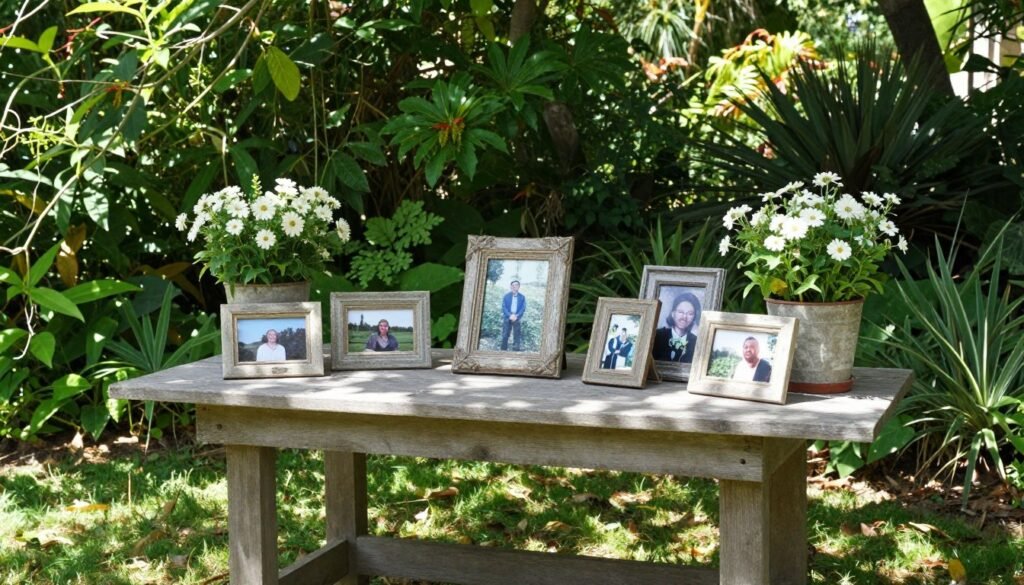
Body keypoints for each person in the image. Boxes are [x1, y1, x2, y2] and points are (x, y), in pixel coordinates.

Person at [652, 292, 701, 363]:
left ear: (694, 318)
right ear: (673, 313)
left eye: (690, 314)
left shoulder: (697, 342)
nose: (684, 317)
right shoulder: (657, 335)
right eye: (681, 312)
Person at [500, 280, 526, 351]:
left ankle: (516, 350)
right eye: (513, 285)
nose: (515, 286)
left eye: (517, 285)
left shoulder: (522, 297)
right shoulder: (506, 296)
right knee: (505, 334)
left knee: (517, 335)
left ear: (519, 286)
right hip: (508, 316)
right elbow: (504, 307)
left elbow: (523, 308)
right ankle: (503, 349)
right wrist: (509, 315)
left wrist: (516, 316)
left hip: (517, 317)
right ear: (511, 286)